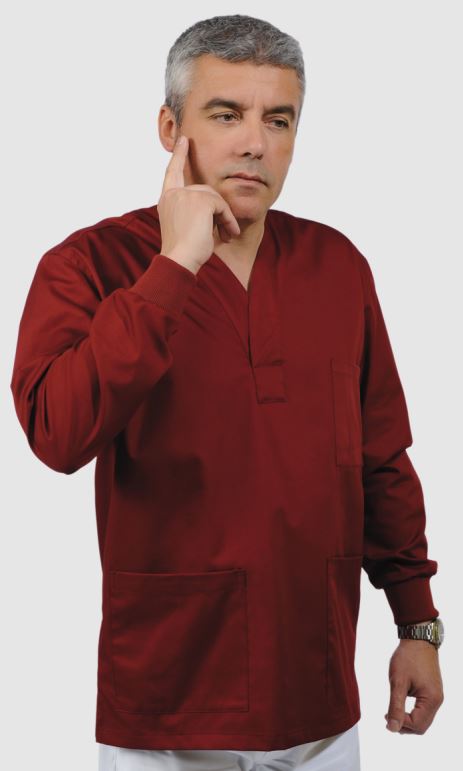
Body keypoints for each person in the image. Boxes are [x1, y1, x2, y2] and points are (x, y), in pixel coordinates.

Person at [10, 13, 444, 771]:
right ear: (169, 128)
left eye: (278, 119)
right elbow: (56, 433)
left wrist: (417, 623)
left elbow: (381, 458)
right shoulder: (89, 264)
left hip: (316, 697)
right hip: (167, 705)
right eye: (225, 114)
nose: (255, 142)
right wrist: (175, 263)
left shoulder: (336, 266)